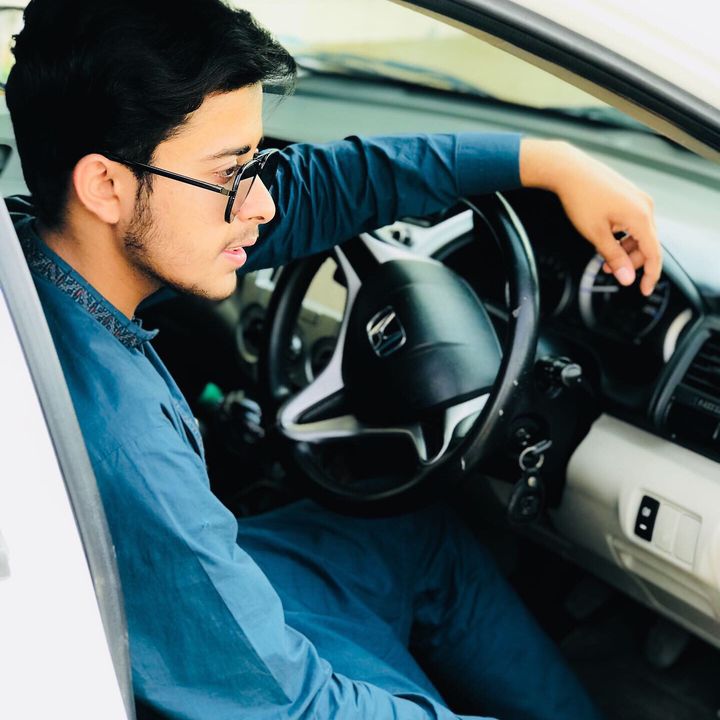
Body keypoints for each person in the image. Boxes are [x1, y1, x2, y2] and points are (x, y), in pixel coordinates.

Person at [5, 0, 660, 718]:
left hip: (185, 608)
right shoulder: (124, 442)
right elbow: (296, 705)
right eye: (230, 174)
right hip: (212, 672)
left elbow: (314, 191)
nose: (259, 205)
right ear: (105, 185)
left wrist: (544, 162)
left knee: (417, 535)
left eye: (257, 164)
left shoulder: (37, 254)